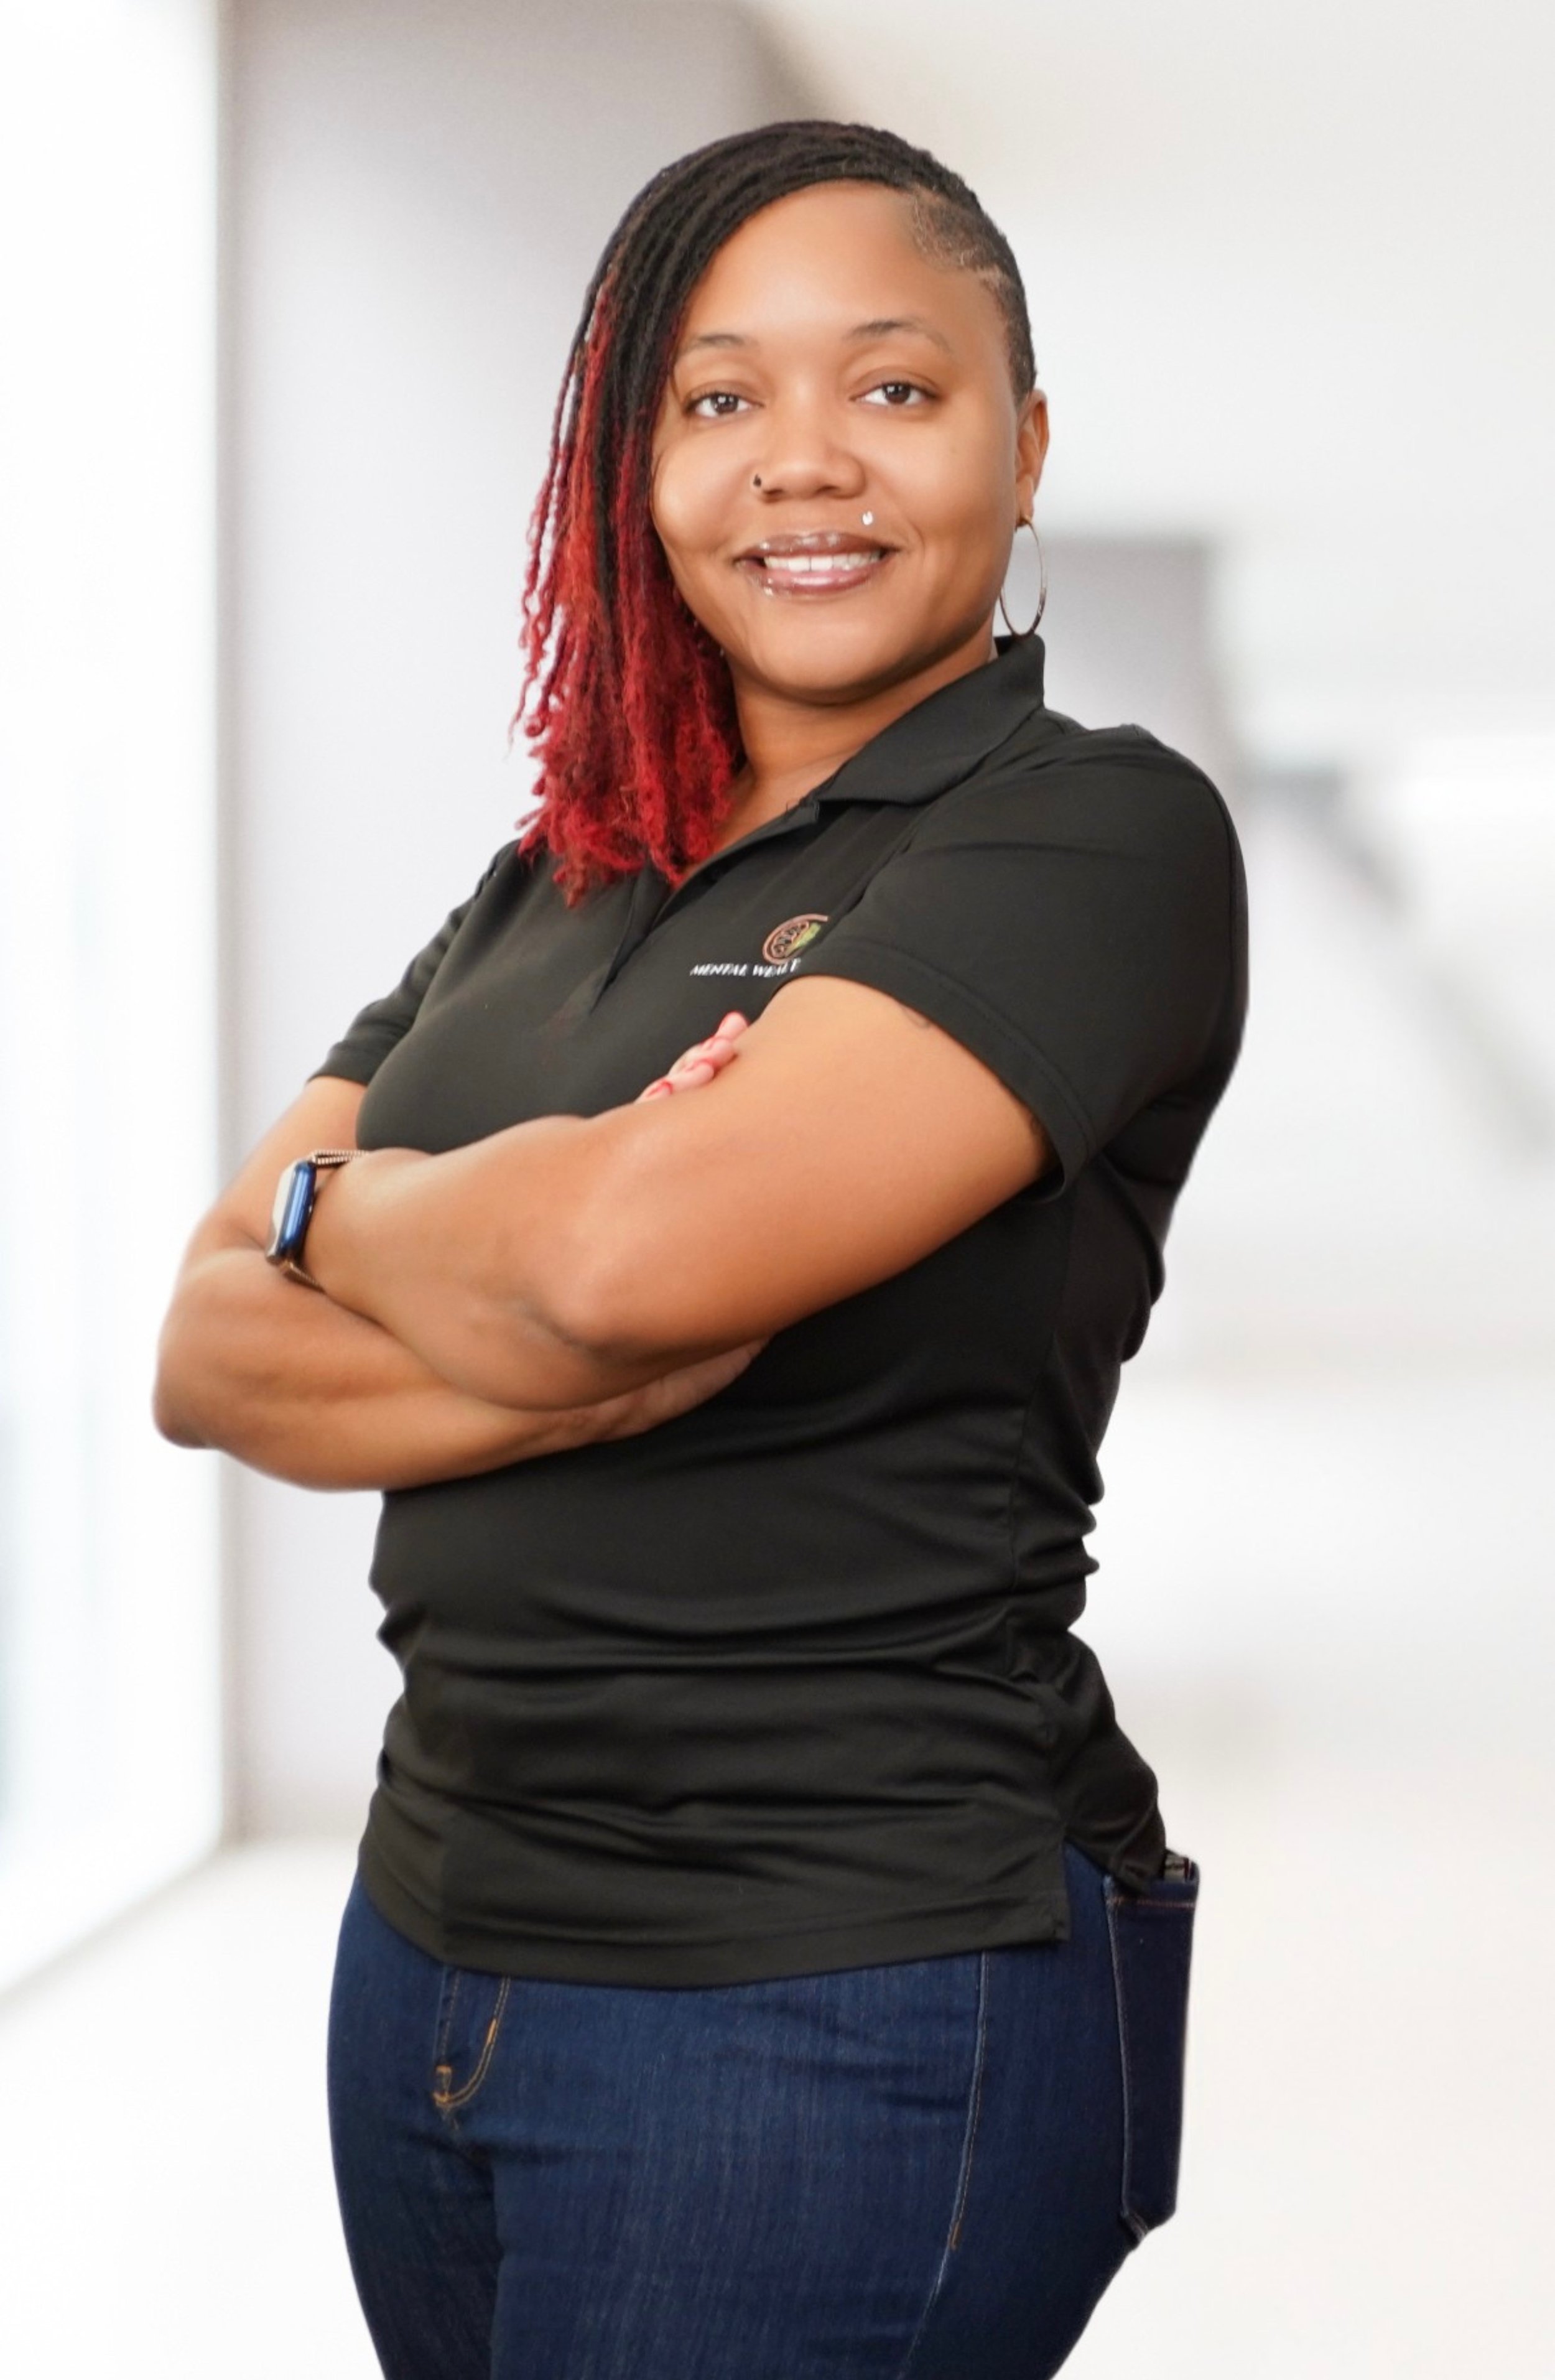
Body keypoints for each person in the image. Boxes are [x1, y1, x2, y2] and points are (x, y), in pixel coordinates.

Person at [155, 118, 1246, 2380]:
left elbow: (622, 1270)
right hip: (434, 1933)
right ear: (635, 470)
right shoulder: (556, 876)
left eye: (895, 387)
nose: (803, 462)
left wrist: (399, 1235)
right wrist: (471, 1281)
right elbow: (207, 1344)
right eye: (718, 397)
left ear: (1025, 444)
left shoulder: (1086, 834)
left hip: (839, 1975)